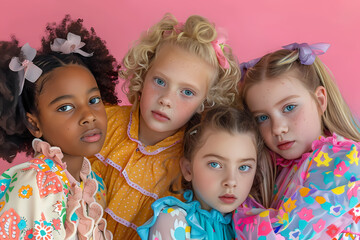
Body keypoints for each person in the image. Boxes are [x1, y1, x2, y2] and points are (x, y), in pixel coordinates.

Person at [88, 13, 241, 239]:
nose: (166, 99)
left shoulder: (191, 161)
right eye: (160, 81)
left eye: (187, 92)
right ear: (143, 73)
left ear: (205, 103)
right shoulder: (104, 121)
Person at [0, 15, 119, 239]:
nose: (88, 116)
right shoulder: (32, 185)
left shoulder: (93, 183)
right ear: (35, 125)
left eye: (94, 100)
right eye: (65, 107)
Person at [234, 42, 360, 239]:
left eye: (289, 108)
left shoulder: (343, 159)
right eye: (262, 118)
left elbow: (283, 235)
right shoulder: (275, 167)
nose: (277, 129)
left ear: (320, 100)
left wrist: (241, 214)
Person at [136, 105, 273, 240]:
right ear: (188, 170)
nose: (231, 181)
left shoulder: (249, 228)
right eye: (215, 164)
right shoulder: (174, 220)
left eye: (243, 167)